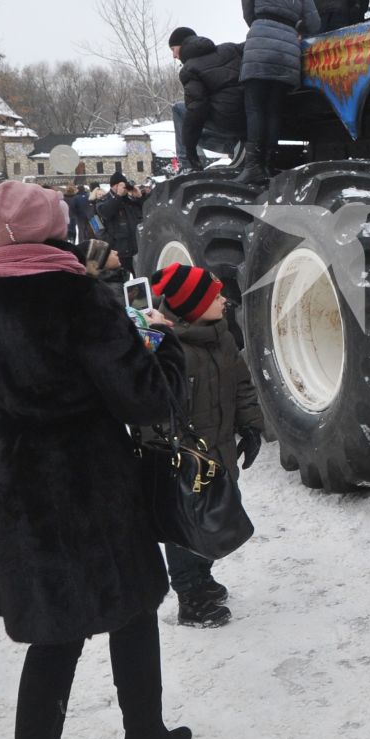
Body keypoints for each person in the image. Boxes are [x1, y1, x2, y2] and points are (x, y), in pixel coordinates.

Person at [0, 181, 193, 739]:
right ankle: (143, 731)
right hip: (91, 472)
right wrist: (165, 347)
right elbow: (145, 400)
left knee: (53, 636)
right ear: (54, 232)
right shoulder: (80, 300)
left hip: (20, 474)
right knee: (134, 602)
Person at [150, 263, 262, 629]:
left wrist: (250, 425)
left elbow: (240, 381)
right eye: (215, 297)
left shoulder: (222, 335)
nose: (225, 301)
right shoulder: (163, 344)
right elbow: (153, 405)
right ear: (194, 305)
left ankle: (203, 578)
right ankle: (190, 597)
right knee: (185, 525)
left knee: (214, 517)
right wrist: (174, 452)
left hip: (220, 447)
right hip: (185, 456)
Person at [235, 0, 322, 188]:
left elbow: (249, 17)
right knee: (274, 109)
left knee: (254, 108)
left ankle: (252, 167)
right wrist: (294, 28)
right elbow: (314, 24)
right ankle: (268, 164)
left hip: (259, 44)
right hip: (288, 50)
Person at [169, 26, 245, 168]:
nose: (173, 55)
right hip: (248, 116)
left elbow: (196, 109)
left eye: (173, 49)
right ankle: (237, 146)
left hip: (230, 124)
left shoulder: (189, 69)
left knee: (179, 110)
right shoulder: (229, 48)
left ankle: (187, 165)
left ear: (182, 44)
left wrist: (190, 150)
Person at [95, 174, 145, 269]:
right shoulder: (103, 201)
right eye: (121, 185)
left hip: (136, 249)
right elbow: (105, 214)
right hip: (118, 252)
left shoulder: (129, 200)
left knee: (140, 279)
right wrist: (118, 196)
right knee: (121, 281)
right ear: (114, 186)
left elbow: (146, 212)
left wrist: (139, 197)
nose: (124, 188)